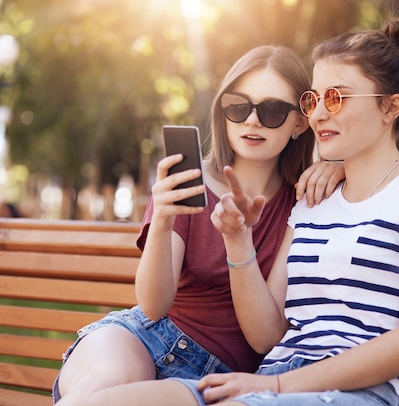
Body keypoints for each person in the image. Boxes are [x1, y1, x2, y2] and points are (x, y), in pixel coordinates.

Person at [63, 18, 399, 406]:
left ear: (390, 107)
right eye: (314, 99)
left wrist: (274, 383)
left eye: (337, 97)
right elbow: (267, 335)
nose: (319, 113)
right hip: (263, 379)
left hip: (335, 389)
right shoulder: (312, 201)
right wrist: (237, 239)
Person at [52, 45, 344, 405]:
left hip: (222, 379)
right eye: (238, 107)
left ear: (300, 122)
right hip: (143, 340)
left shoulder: (302, 203)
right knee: (105, 385)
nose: (252, 121)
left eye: (271, 110)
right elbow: (153, 306)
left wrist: (340, 166)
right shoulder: (188, 183)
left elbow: (266, 338)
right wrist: (161, 221)